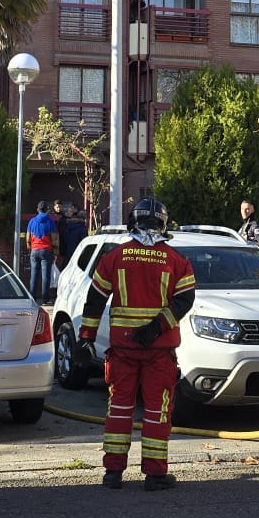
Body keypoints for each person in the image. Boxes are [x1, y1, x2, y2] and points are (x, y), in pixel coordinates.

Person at [78, 198, 195, 491]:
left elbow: (94, 301)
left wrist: (86, 339)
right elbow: (185, 300)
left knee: (119, 408)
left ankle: (112, 474)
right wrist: (157, 327)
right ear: (163, 223)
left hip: (122, 351)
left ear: (133, 221)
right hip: (159, 351)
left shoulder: (114, 257)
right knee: (157, 412)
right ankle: (155, 476)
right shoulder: (175, 260)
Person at [26, 201, 57, 301]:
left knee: (33, 274)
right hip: (46, 250)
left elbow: (28, 238)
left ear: (37, 210)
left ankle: (32, 297)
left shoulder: (32, 221)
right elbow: (55, 239)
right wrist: (55, 252)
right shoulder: (50, 221)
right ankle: (45, 298)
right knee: (45, 276)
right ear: (47, 209)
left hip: (34, 250)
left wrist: (30, 249)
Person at [58, 202, 89, 268]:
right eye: (70, 211)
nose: (72, 213)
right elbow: (84, 241)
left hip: (67, 250)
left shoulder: (68, 225)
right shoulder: (82, 228)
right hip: (75, 252)